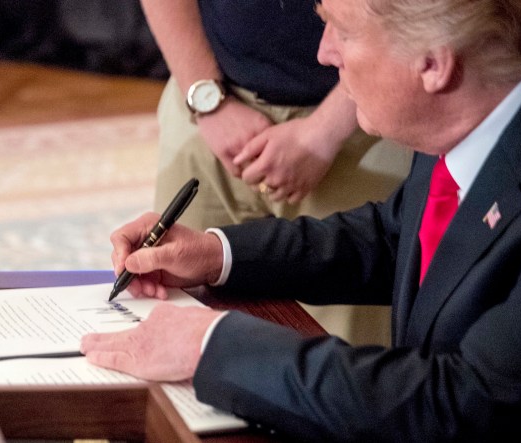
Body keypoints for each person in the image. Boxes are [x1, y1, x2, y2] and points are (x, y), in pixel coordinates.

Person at [81, 0, 521, 440]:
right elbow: (390, 239)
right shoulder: (472, 126)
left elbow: (458, 403)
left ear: (433, 64)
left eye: (343, 32)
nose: (324, 53)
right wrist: (215, 255)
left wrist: (210, 345)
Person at [142, 0, 412, 346]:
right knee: (172, 322)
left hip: (365, 119)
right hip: (204, 99)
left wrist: (325, 130)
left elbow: (416, 14)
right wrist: (207, 100)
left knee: (350, 357)